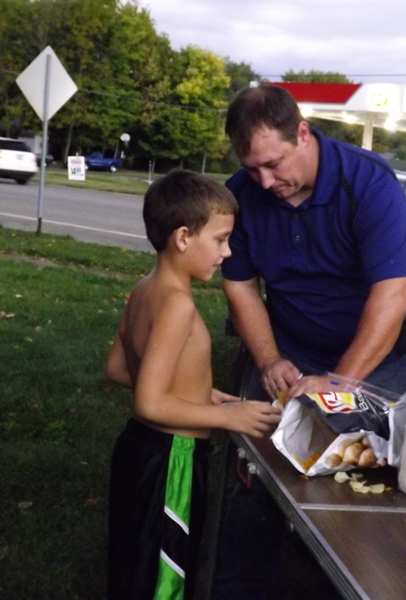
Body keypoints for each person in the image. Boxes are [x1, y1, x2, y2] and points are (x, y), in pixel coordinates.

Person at [214, 84, 406, 598]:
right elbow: (240, 285)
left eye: (273, 164)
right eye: (252, 168)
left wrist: (340, 381)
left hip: (372, 363)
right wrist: (268, 359)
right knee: (256, 477)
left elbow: (392, 295)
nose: (264, 181)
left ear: (302, 134)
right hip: (287, 351)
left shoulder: (368, 183)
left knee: (360, 485)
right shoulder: (242, 194)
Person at [104, 169, 282, 600]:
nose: (227, 251)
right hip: (173, 461)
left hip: (139, 452)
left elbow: (118, 369)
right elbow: (149, 403)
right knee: (165, 579)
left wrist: (198, 395)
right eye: (220, 239)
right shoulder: (178, 306)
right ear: (183, 238)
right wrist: (227, 417)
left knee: (136, 567)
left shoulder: (145, 289)